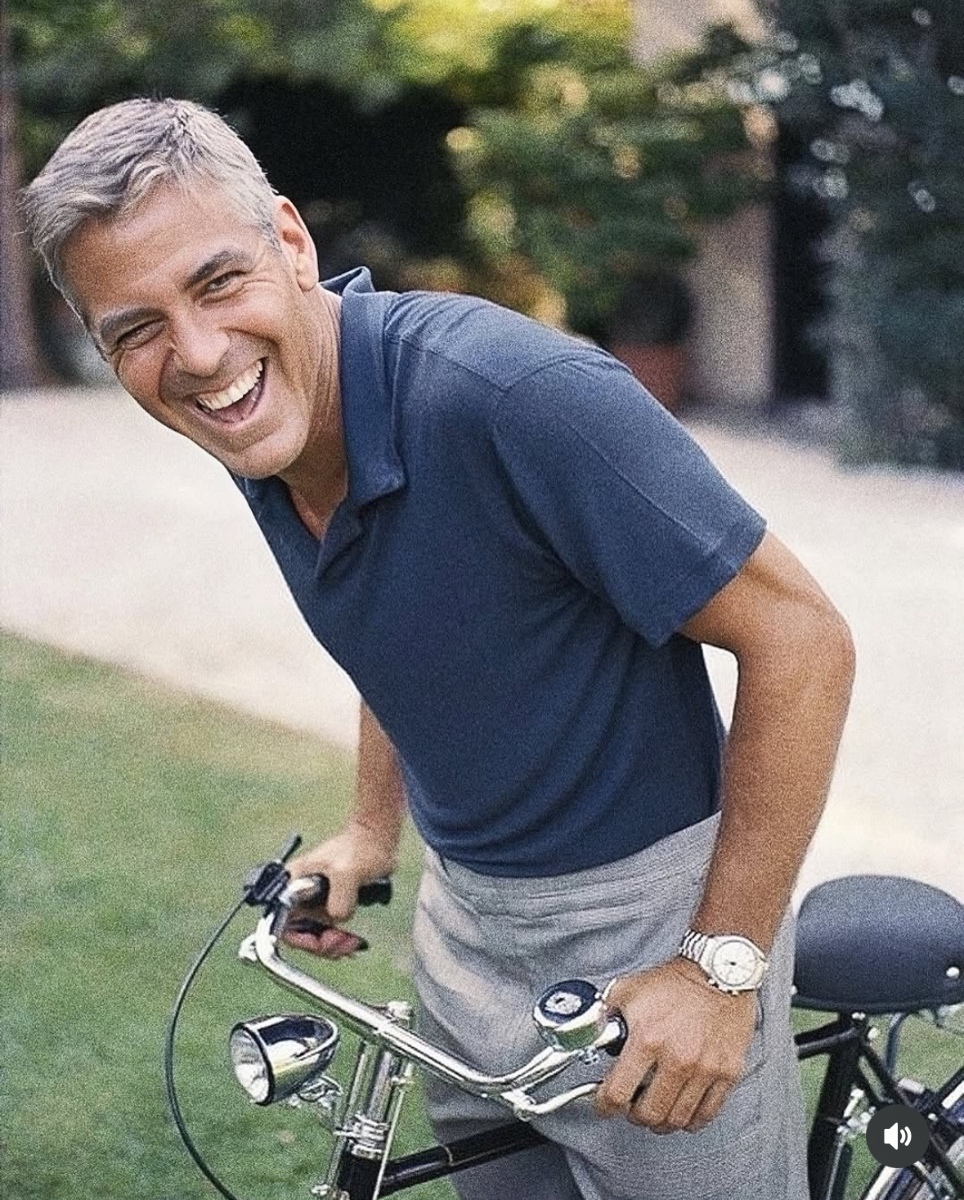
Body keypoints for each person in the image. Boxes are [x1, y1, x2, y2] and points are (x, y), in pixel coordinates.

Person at [21, 97, 855, 1200]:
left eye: (218, 282)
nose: (200, 354)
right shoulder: (265, 428)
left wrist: (719, 967)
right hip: (464, 924)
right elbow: (403, 629)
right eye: (137, 330)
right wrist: (372, 833)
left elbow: (804, 638)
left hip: (660, 927)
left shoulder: (513, 398)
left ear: (291, 240)